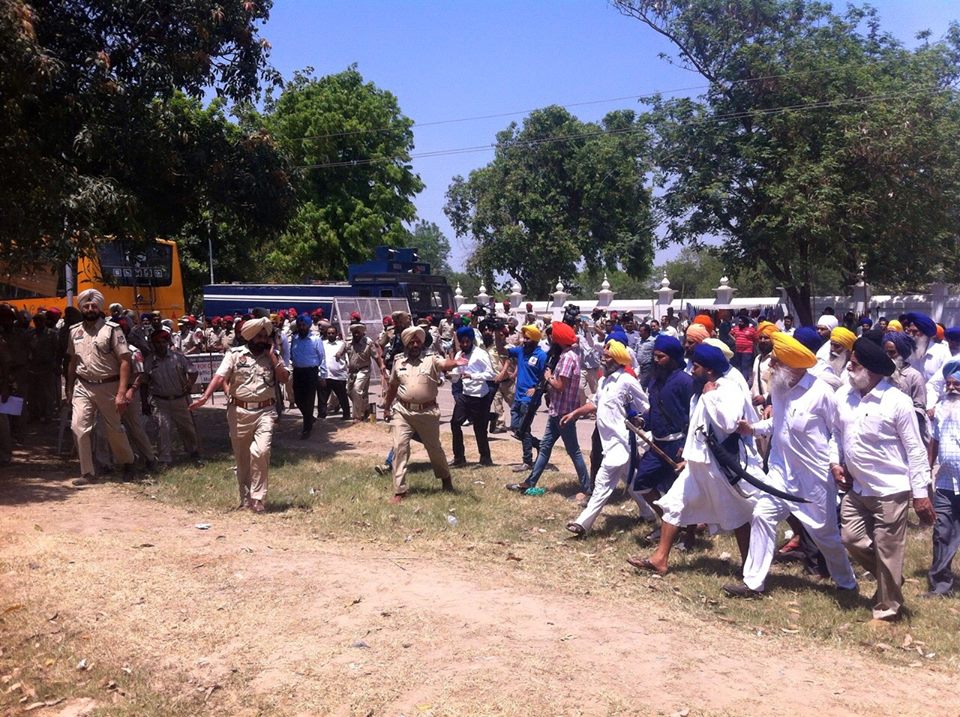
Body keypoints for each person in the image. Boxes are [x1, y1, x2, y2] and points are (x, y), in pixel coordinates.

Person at [726, 332, 857, 597]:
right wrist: (752, 429)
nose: (770, 366)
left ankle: (847, 584)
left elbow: (837, 433)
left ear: (792, 366)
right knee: (762, 515)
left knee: (826, 536)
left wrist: (837, 463)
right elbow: (778, 424)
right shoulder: (781, 387)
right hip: (780, 473)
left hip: (814, 478)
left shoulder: (820, 393)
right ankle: (753, 583)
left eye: (775, 362)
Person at [627, 343, 757, 576]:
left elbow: (728, 424)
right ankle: (660, 559)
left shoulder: (726, 389)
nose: (691, 370)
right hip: (696, 463)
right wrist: (687, 456)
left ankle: (749, 567)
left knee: (736, 514)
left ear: (708, 370)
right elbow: (697, 428)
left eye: (695, 366)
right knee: (674, 505)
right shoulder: (701, 389)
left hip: (716, 466)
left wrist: (710, 397)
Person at [832, 337, 935, 622]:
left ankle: (888, 610)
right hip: (857, 487)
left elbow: (915, 449)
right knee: (850, 538)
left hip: (891, 489)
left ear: (872, 370)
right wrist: (835, 462)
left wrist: (921, 493)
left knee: (889, 549)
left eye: (854, 365)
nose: (849, 369)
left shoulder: (896, 402)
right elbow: (837, 435)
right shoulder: (845, 396)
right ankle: (889, 577)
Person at [189, 317, 289, 513]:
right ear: (250, 337)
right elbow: (220, 376)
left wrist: (273, 357)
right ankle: (245, 498)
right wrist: (205, 396)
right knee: (242, 457)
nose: (262, 340)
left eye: (265, 336)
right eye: (258, 336)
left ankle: (258, 498)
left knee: (260, 452)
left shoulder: (273, 356)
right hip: (239, 412)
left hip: (265, 411)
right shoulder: (234, 355)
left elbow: (284, 378)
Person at [563, 340, 649, 535]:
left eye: (608, 356)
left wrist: (641, 420)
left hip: (621, 440)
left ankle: (583, 523)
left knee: (602, 481)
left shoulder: (626, 380)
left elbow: (645, 406)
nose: (603, 357)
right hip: (607, 441)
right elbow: (595, 403)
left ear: (618, 360)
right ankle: (650, 513)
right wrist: (575, 413)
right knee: (633, 481)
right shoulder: (603, 381)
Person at [506, 321, 590, 496]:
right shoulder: (571, 354)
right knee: (545, 447)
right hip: (557, 411)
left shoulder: (567, 358)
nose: (550, 338)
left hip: (563, 413)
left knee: (573, 451)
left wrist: (549, 377)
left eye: (553, 335)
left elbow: (560, 385)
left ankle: (587, 488)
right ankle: (529, 482)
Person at [381, 326, 461, 503]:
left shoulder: (431, 359)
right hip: (403, 411)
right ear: (406, 344)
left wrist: (454, 363)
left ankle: (445, 478)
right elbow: (393, 386)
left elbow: (443, 364)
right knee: (399, 447)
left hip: (427, 412)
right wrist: (386, 407)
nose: (415, 344)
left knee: (434, 449)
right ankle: (399, 490)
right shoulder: (398, 362)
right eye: (412, 341)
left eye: (418, 341)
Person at [66, 289, 136, 486]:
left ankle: (128, 463)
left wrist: (122, 392)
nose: (89, 309)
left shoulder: (112, 330)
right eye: (86, 306)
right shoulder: (74, 331)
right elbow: (72, 361)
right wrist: (69, 387)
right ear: (81, 308)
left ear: (100, 307)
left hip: (109, 386)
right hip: (83, 385)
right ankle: (87, 472)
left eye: (93, 305)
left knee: (114, 428)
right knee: (78, 426)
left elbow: (124, 361)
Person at [630, 335, 692, 536]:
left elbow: (694, 416)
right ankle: (668, 522)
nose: (656, 360)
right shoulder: (655, 380)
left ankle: (687, 534)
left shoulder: (685, 382)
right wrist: (642, 421)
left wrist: (688, 446)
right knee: (642, 482)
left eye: (661, 357)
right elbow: (654, 409)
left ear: (673, 358)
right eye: (655, 356)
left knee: (684, 493)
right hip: (657, 445)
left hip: (678, 445)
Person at [142, 329, 202, 466]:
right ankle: (165, 459)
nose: (161, 345)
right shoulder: (149, 361)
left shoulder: (178, 357)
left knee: (188, 428)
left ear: (168, 343)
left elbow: (193, 372)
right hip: (160, 401)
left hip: (180, 400)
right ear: (153, 344)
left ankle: (194, 453)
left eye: (163, 342)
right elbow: (144, 382)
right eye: (157, 342)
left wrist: (189, 384)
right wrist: (145, 403)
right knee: (163, 429)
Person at [926, 360, 960, 597]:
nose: (951, 388)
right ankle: (940, 585)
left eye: (956, 384)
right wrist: (926, 470)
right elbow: (934, 441)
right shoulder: (940, 410)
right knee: (942, 532)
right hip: (946, 482)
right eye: (948, 384)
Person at [499, 325, 547, 473]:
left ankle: (527, 461)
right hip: (518, 397)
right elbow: (502, 351)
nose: (524, 340)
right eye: (524, 337)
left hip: (530, 399)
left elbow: (546, 376)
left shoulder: (541, 356)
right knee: (516, 428)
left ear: (534, 340)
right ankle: (539, 445)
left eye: (527, 338)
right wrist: (497, 333)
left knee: (524, 430)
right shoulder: (520, 351)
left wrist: (537, 388)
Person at [449, 326, 496, 467]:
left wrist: (473, 375)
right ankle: (459, 458)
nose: (464, 345)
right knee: (455, 423)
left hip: (480, 395)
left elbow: (491, 374)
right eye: (461, 342)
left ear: (471, 340)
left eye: (467, 342)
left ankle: (485, 458)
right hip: (465, 395)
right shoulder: (459, 355)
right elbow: (457, 376)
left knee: (479, 428)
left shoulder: (480, 354)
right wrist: (450, 375)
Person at [289, 313, 327, 439]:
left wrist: (322, 375)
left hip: (311, 372)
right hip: (298, 371)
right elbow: (291, 354)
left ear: (309, 325)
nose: (301, 327)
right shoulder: (294, 338)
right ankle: (309, 417)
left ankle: (307, 429)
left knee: (309, 400)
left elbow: (322, 358)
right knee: (298, 399)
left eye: (304, 325)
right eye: (299, 325)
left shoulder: (316, 339)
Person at [345, 320, 376, 421]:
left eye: (358, 332)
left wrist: (382, 367)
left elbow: (376, 356)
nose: (356, 333)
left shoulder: (368, 342)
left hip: (364, 370)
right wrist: (337, 354)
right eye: (354, 332)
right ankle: (365, 408)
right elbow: (341, 350)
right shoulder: (349, 342)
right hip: (352, 371)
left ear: (363, 333)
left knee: (357, 389)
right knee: (350, 392)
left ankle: (357, 417)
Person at [320, 325, 350, 421]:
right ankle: (321, 415)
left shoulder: (342, 344)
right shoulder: (322, 344)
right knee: (323, 398)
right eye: (329, 333)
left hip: (339, 376)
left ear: (336, 334)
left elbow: (348, 358)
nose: (331, 335)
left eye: (333, 333)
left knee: (342, 397)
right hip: (326, 375)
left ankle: (346, 415)